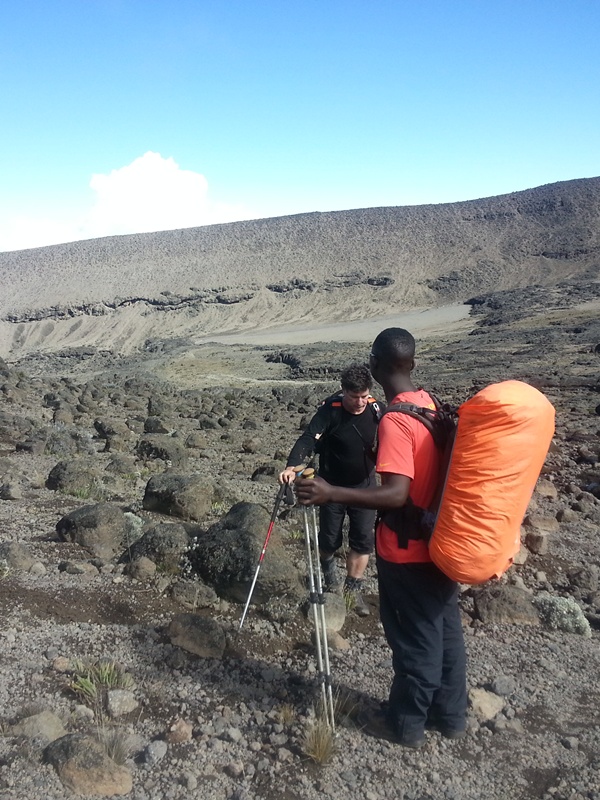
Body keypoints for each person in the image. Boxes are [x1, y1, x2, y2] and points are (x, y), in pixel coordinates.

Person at [295, 328, 467, 748]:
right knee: (444, 631)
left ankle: (405, 724)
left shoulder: (394, 420)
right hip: (439, 539)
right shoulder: (429, 406)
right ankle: (450, 717)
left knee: (414, 638)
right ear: (412, 363)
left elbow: (395, 493)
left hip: (407, 549)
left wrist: (330, 492)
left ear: (374, 365)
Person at [279, 363, 382, 616]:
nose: (360, 403)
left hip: (365, 486)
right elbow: (307, 439)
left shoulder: (377, 409)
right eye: (354, 396)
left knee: (362, 540)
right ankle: (328, 568)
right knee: (329, 539)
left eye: (364, 396)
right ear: (343, 391)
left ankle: (351, 590)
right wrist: (292, 466)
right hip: (330, 487)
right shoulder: (330, 411)